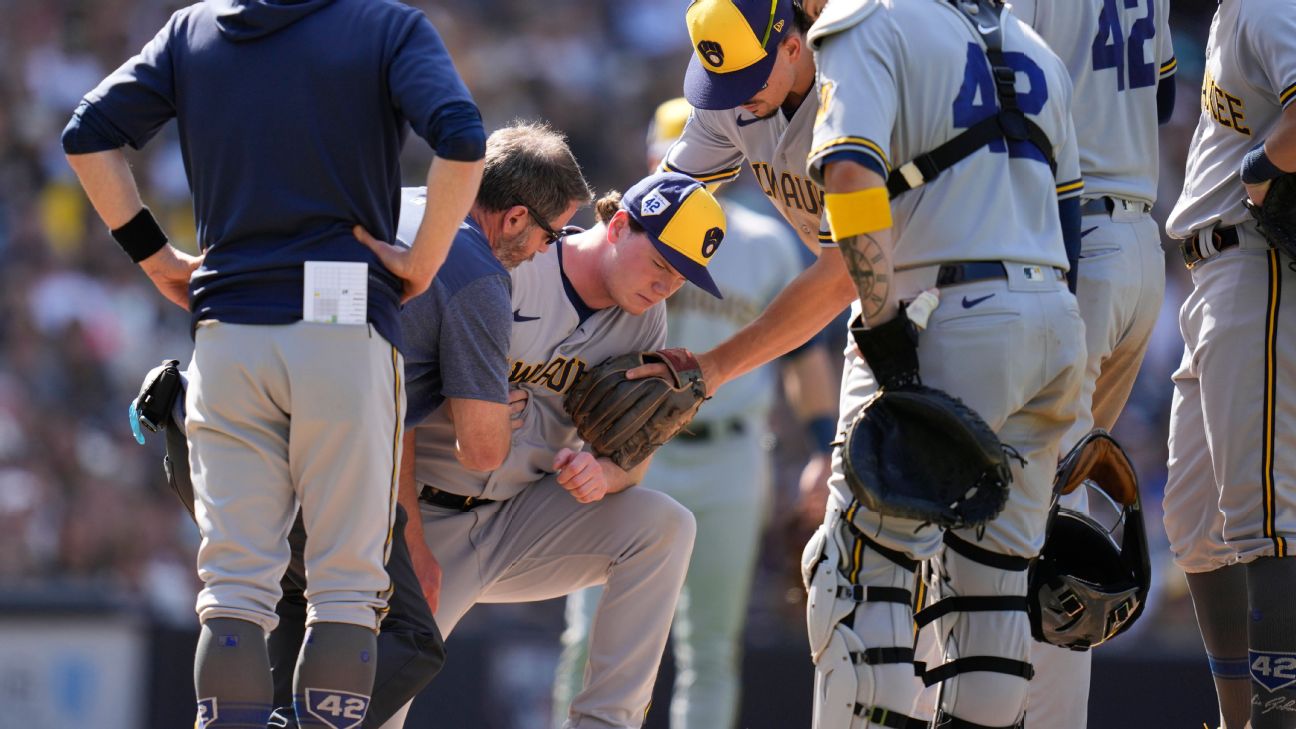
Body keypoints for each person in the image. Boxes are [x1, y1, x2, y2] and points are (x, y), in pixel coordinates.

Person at [60, 1, 486, 726]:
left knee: (232, 590)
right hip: (342, 321)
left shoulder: (194, 28)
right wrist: (426, 256)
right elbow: (464, 139)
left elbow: (87, 135)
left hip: (228, 331)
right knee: (347, 588)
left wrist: (156, 257)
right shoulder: (386, 24)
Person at [144, 121, 593, 729]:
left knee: (268, 608)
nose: (549, 248)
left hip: (204, 425)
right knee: (408, 636)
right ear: (514, 218)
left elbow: (351, 339)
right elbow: (482, 450)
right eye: (551, 232)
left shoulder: (387, 208)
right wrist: (501, 406)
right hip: (302, 452)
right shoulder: (478, 273)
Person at [803, 0, 1086, 726]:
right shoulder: (1034, 47)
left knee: (861, 577)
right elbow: (1070, 220)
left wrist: (881, 324)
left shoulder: (869, 19)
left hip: (945, 309)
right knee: (990, 601)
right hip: (1053, 319)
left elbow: (849, 175)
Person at [378, 170, 727, 729]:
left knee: (663, 526)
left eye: (683, 276)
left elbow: (632, 461)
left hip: (517, 522)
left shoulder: (643, 323)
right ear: (617, 226)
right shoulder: (515, 263)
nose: (666, 286)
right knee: (365, 712)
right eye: (662, 263)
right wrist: (408, 536)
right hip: (421, 516)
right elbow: (390, 400)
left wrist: (605, 474)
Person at [552, 98, 840, 729]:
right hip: (621, 452)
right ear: (652, 161)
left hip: (729, 453)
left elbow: (807, 361)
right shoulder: (621, 242)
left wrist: (824, 448)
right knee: (589, 636)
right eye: (670, 159)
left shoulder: (765, 242)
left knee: (708, 646)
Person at [989, 2, 1176, 726]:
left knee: (1029, 513)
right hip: (1137, 244)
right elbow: (1159, 93)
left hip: (1075, 237)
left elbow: (1006, 95)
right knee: (1055, 497)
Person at [1159, 0, 1296, 726]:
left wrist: (1257, 168)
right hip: (1214, 275)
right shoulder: (1234, 11)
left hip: (1258, 266)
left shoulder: (1270, 6)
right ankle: (1241, 719)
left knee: (1268, 522)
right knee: (1194, 518)